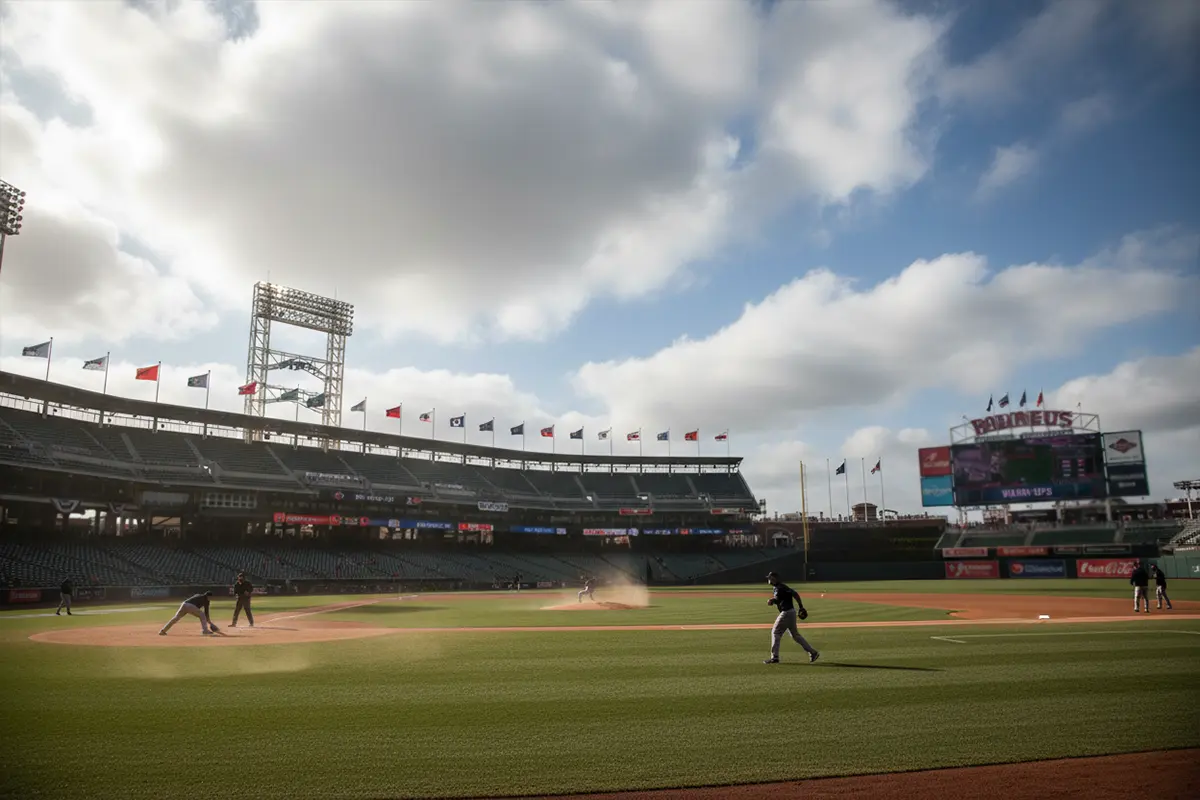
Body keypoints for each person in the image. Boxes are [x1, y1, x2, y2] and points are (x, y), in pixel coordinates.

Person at [764, 572, 819, 664]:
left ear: (775, 579)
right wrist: (801, 606)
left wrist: (771, 601)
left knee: (775, 632)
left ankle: (775, 657)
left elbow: (777, 599)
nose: (768, 579)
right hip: (792, 612)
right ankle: (813, 652)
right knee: (795, 635)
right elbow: (795, 594)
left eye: (770, 578)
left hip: (786, 613)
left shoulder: (778, 588)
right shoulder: (784, 586)